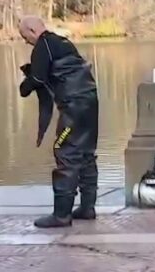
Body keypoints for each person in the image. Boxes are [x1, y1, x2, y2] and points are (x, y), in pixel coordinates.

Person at [18, 16, 99, 228]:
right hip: (90, 102)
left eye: (24, 36)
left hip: (73, 107)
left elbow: (37, 79)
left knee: (65, 152)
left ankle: (61, 215)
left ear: (32, 30)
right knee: (86, 153)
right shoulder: (63, 43)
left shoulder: (43, 45)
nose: (25, 41)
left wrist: (24, 88)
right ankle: (88, 208)